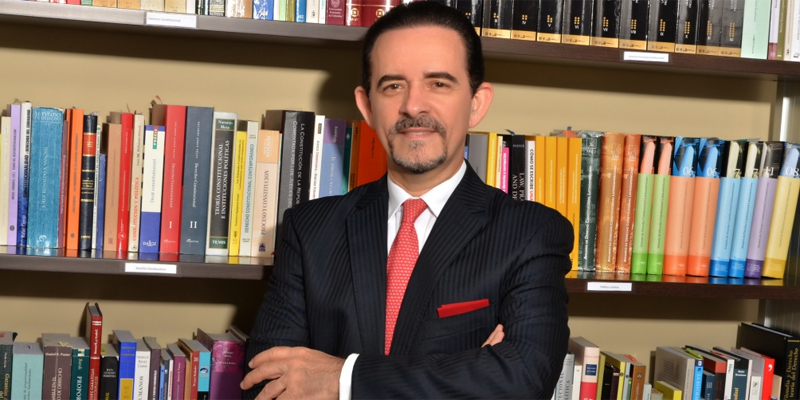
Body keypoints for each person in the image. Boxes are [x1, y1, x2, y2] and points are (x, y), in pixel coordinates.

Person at [241, 2, 572, 399]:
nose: (413, 106)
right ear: (367, 105)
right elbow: (265, 387)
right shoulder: (309, 229)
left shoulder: (530, 233)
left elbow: (523, 381)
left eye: (439, 84)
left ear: (476, 103)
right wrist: (471, 372)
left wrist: (341, 379)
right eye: (393, 86)